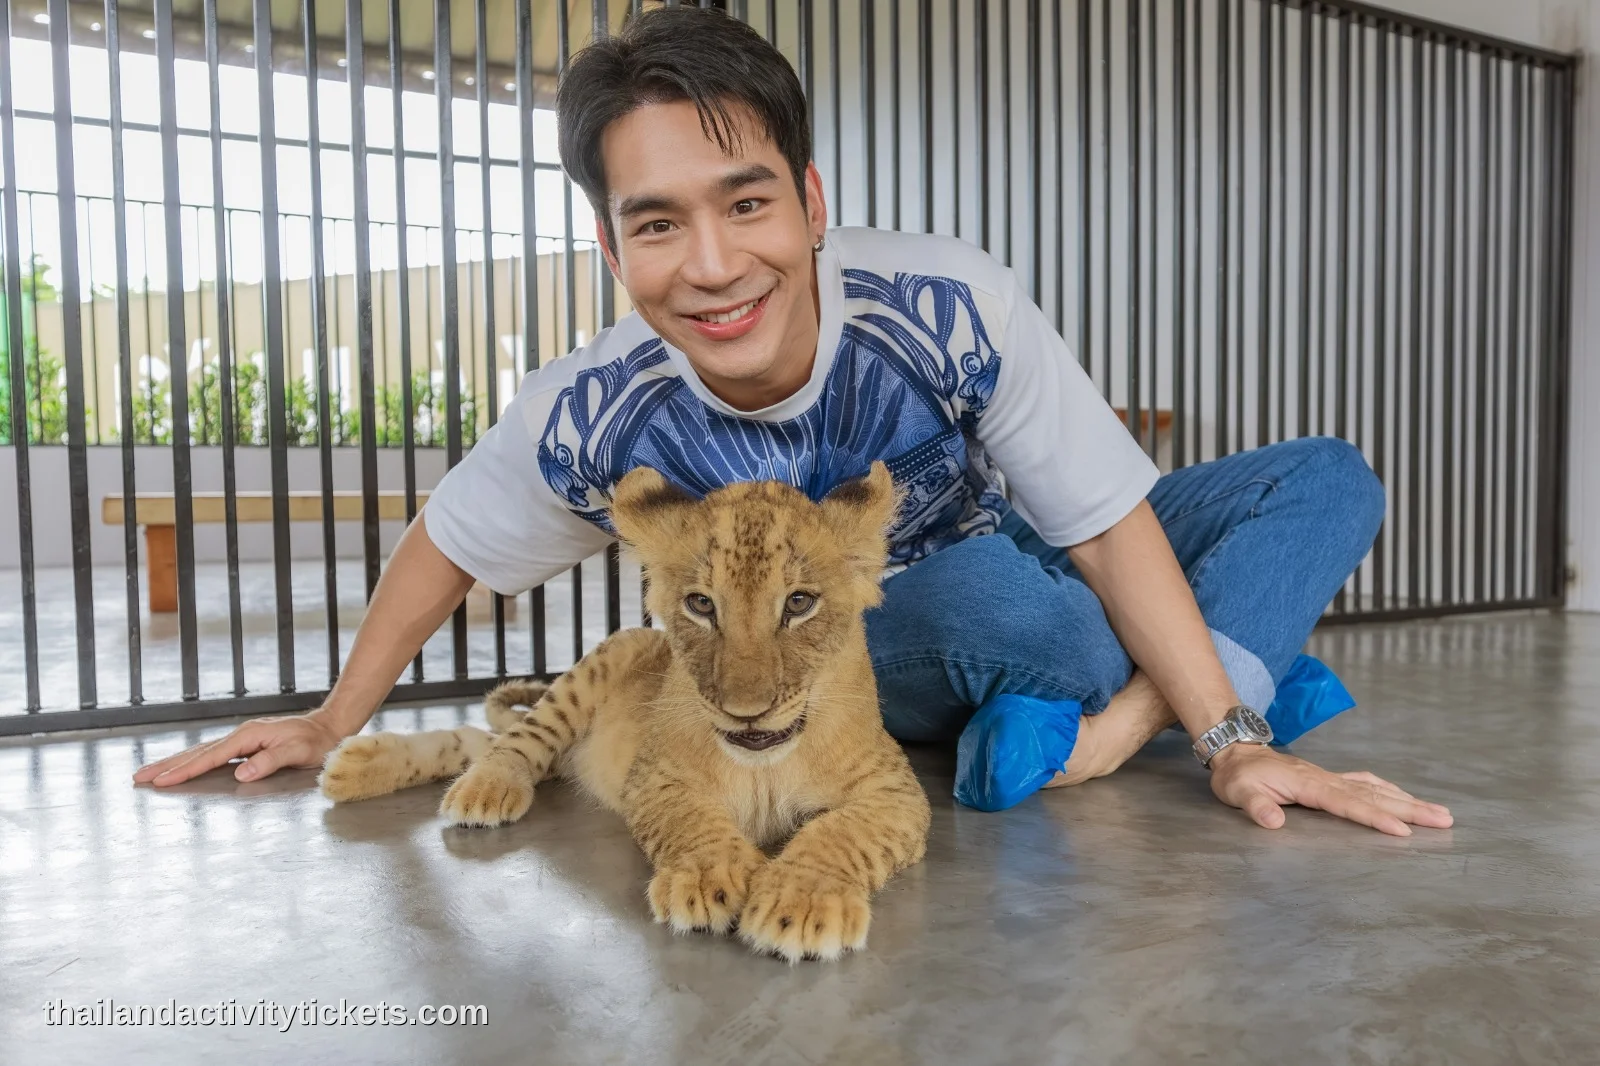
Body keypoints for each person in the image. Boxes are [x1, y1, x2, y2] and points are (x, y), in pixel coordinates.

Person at [136, 6, 1450, 837]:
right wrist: (328, 720)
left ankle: (1114, 729)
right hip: (908, 604)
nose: (711, 264)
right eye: (658, 223)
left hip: (1036, 544)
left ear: (811, 201)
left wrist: (1222, 750)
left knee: (1326, 478)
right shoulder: (597, 408)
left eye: (746, 201)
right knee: (1022, 614)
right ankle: (1196, 674)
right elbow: (450, 540)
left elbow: (1106, 523)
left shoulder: (946, 303)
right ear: (612, 245)